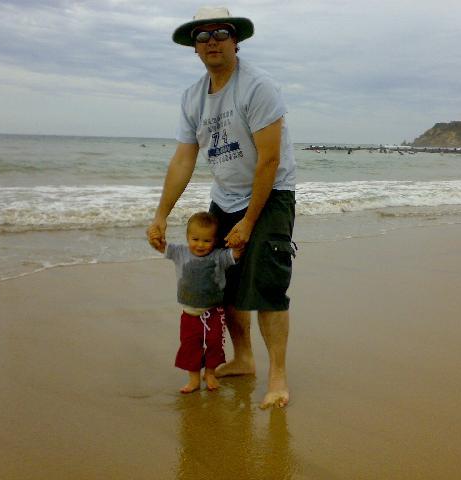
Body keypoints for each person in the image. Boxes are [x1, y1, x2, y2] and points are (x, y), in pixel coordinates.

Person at [146, 6, 296, 408]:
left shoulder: (258, 87)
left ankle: (278, 377)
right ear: (194, 48)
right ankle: (243, 359)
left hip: (271, 193)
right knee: (223, 283)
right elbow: (183, 159)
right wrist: (161, 215)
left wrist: (249, 221)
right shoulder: (192, 97)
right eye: (202, 36)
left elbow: (269, 160)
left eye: (220, 33)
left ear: (236, 40)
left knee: (267, 285)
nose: (211, 41)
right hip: (226, 195)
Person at [163, 212, 240, 394]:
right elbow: (161, 246)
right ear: (187, 237)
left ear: (215, 241)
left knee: (214, 344)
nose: (200, 244)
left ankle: (210, 374)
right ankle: (194, 379)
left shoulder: (219, 256)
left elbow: (236, 254)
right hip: (189, 314)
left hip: (213, 312)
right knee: (190, 347)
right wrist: (155, 235)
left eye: (207, 240)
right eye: (195, 239)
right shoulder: (180, 252)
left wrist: (237, 243)